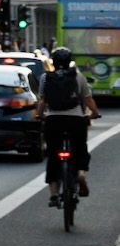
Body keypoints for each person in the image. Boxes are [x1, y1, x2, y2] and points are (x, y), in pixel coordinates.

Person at [36, 46, 100, 206]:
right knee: (80, 151)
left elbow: (42, 101)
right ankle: (81, 174)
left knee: (52, 156)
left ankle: (54, 194)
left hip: (53, 122)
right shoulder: (78, 77)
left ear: (54, 62)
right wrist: (94, 114)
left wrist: (40, 115)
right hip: (75, 121)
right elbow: (88, 100)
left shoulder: (45, 78)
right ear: (70, 61)